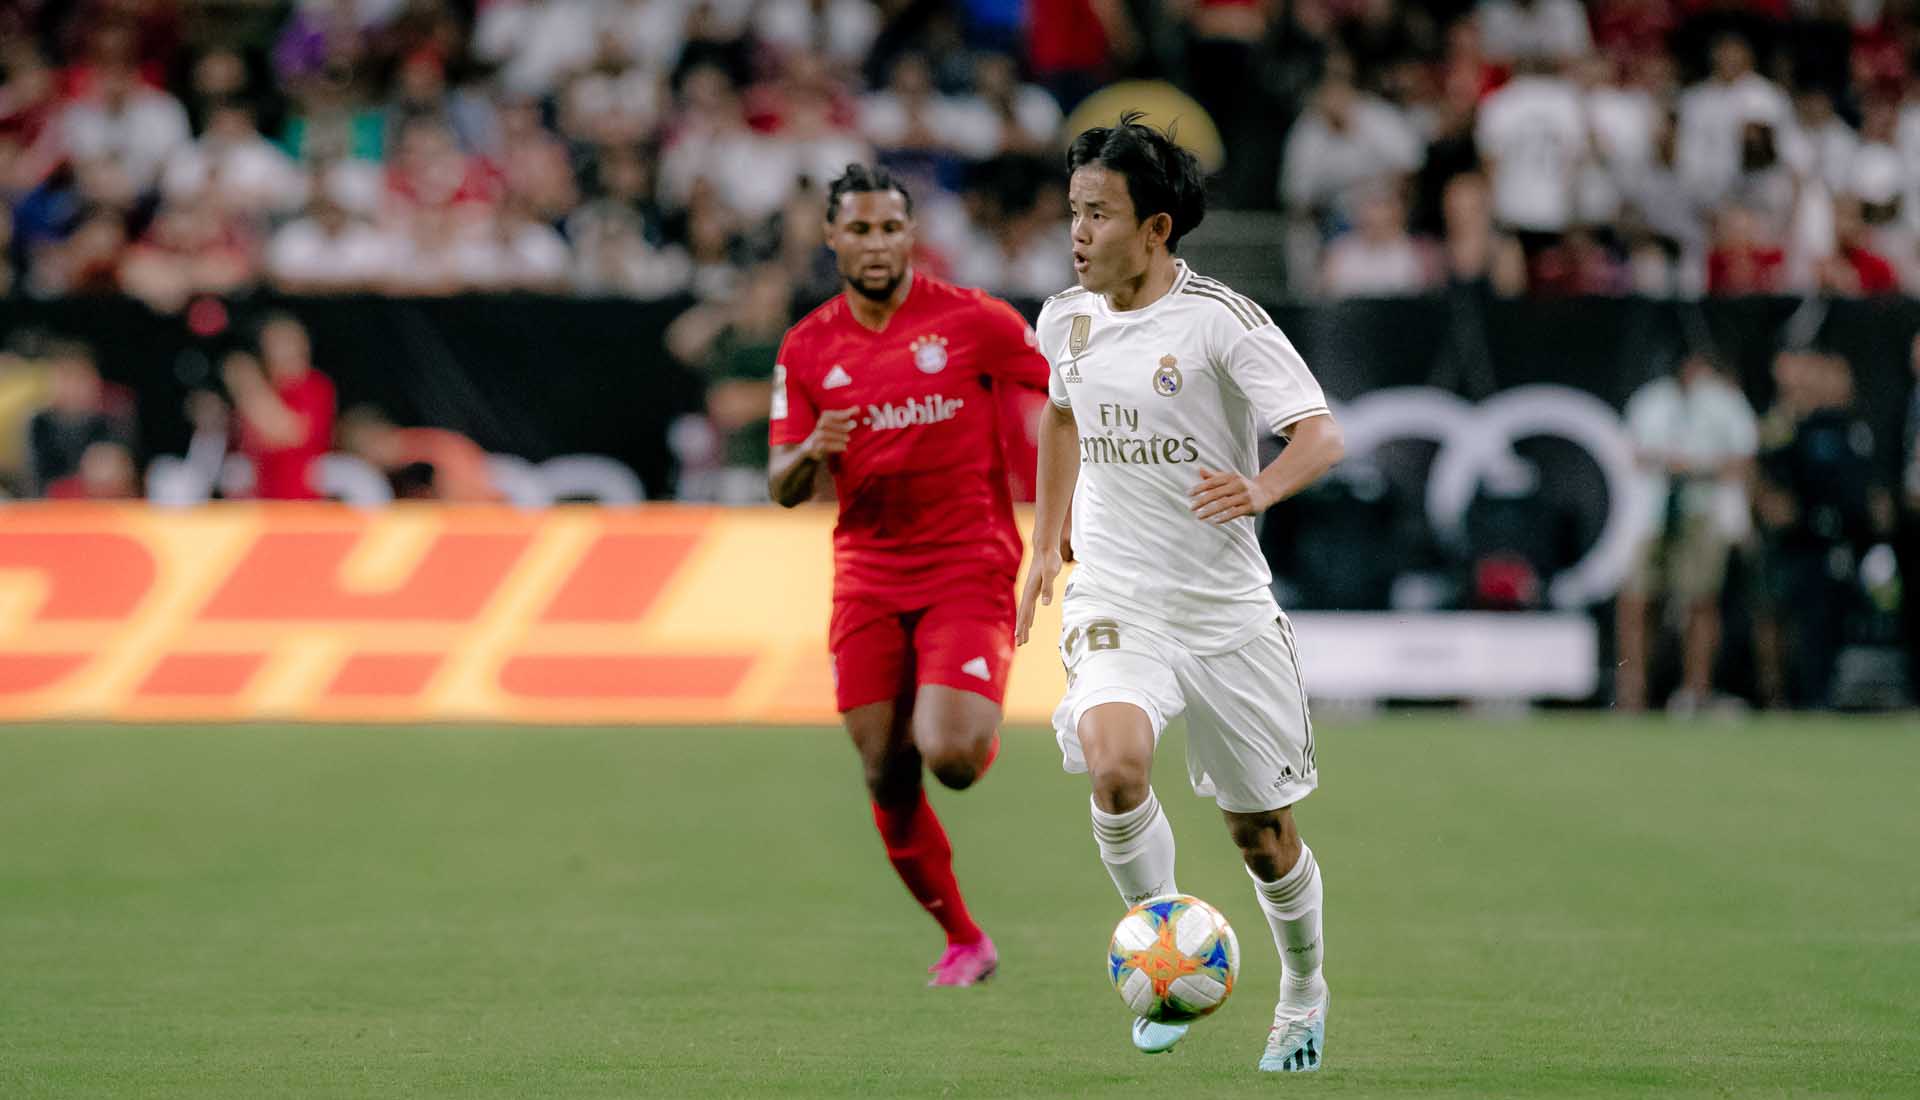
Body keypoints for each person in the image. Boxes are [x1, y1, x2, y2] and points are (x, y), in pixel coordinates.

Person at [1017, 114, 1346, 1072]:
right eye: (1073, 212)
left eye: (1099, 214)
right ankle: (1164, 955)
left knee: (1263, 836)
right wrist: (1046, 540)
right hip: (1118, 595)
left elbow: (1320, 433)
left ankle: (1304, 987)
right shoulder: (1066, 319)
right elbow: (1062, 416)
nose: (1078, 234)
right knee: (1115, 764)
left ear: (1156, 229)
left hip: (1225, 613)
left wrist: (1261, 487)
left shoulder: (1220, 323)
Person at [766, 163, 1050, 987]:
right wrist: (811, 452)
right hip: (868, 573)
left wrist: (1070, 501)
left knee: (950, 756)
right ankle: (964, 939)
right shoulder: (806, 347)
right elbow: (781, 484)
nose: (877, 244)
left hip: (968, 560)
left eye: (891, 228)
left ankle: (966, 716)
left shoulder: (974, 320)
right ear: (832, 237)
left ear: (910, 235)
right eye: (860, 229)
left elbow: (1065, 398)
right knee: (884, 772)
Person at [1615, 354, 1758, 713]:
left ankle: (1696, 691)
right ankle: (1632, 693)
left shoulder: (1725, 401)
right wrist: (1668, 462)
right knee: (1636, 600)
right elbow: (1633, 454)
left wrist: (1694, 466)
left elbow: (1742, 459)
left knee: (1700, 601)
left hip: (1701, 513)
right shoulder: (1651, 400)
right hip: (1652, 515)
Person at [225, 313, 337, 500]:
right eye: (275, 343)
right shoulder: (269, 388)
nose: (283, 350)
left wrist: (246, 381)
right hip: (259, 498)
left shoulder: (315, 385)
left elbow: (286, 433)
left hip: (300, 499)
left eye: (288, 342)